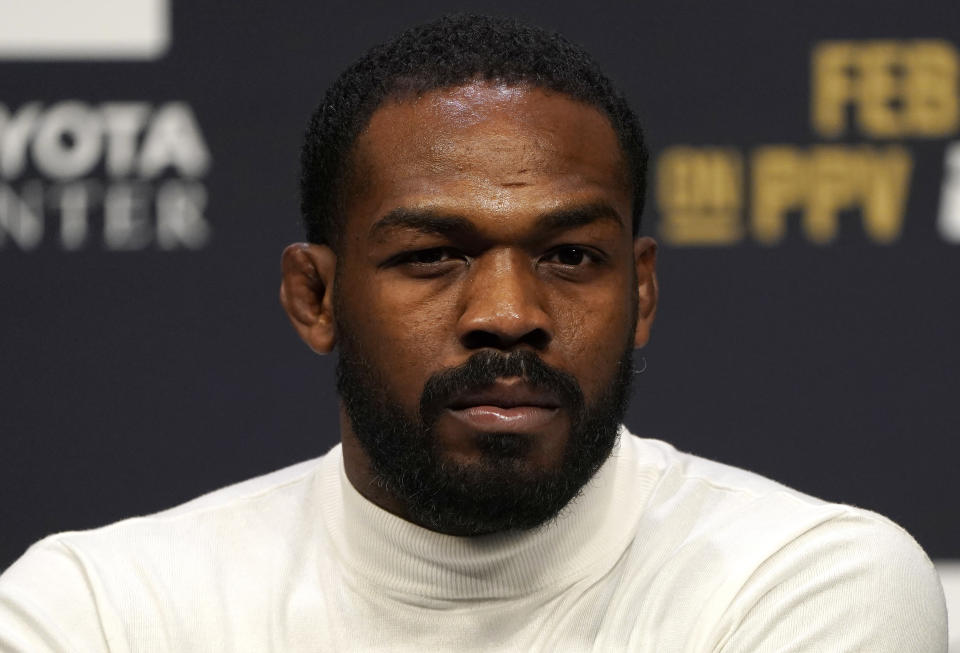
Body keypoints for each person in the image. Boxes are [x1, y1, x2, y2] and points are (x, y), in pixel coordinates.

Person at [0, 14, 947, 652]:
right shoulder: (105, 610)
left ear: (643, 291)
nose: (509, 311)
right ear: (315, 297)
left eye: (571, 256)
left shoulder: (809, 583)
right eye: (433, 256)